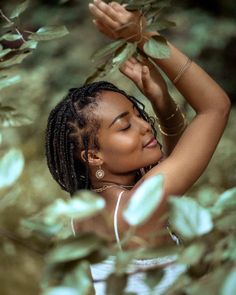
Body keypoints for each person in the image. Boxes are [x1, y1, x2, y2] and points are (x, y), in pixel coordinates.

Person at [45, 0, 231, 293]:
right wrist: (144, 35)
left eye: (137, 113)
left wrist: (162, 101)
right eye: (124, 125)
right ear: (93, 155)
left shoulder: (85, 215)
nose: (145, 125)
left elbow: (178, 160)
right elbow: (215, 107)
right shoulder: (139, 207)